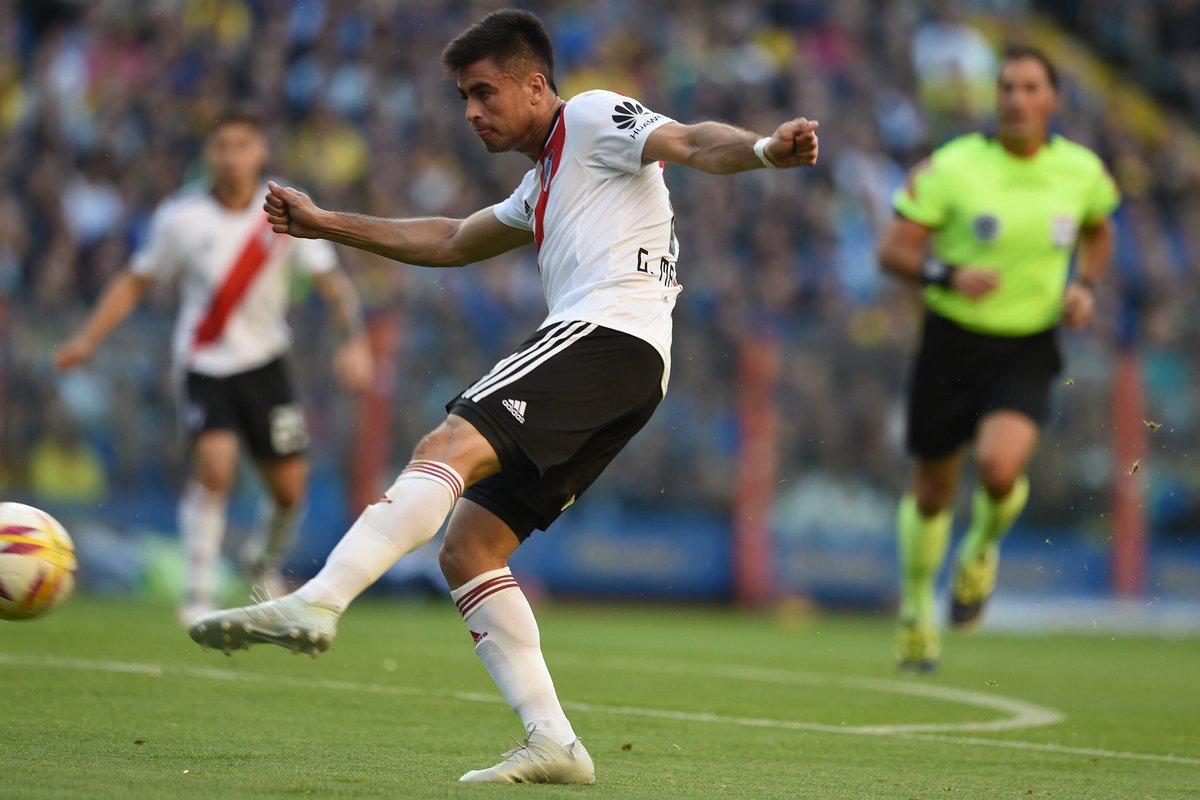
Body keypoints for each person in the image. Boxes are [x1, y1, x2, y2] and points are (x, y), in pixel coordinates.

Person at [188, 8, 819, 785]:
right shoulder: (544, 180)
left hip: (606, 335)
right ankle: (554, 741)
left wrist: (763, 150)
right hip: (630, 368)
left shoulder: (591, 116)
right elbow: (453, 240)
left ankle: (320, 598)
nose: (471, 112)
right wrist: (326, 225)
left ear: (535, 85)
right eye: (464, 97)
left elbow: (688, 142)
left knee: (445, 446)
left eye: (484, 92)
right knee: (470, 548)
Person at [55, 109, 374, 625]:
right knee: (216, 469)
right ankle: (198, 593)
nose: (230, 157)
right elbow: (136, 279)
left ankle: (261, 565)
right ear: (210, 153)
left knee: (289, 490)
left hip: (266, 362)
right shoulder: (181, 217)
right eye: (222, 146)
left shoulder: (286, 210)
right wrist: (87, 339)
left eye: (241, 145)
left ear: (260, 152)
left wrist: (354, 342)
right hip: (204, 363)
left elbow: (333, 284)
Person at [877, 46, 1119, 671]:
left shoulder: (1082, 171)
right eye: (1007, 86)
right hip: (952, 340)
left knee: (999, 468)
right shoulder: (953, 167)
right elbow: (893, 250)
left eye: (1030, 87)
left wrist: (1086, 288)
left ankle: (980, 549)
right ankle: (916, 609)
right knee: (933, 491)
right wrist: (947, 273)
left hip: (1027, 344)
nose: (1016, 98)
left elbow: (1099, 229)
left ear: (1053, 99)